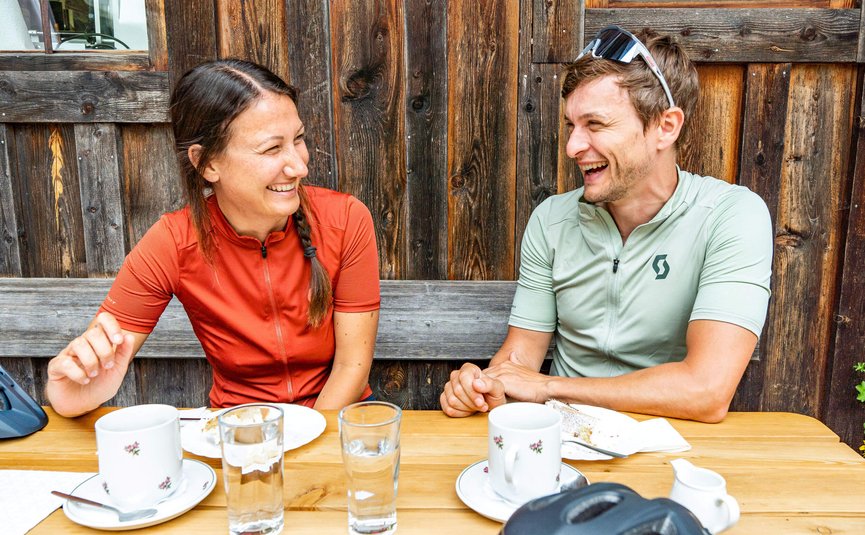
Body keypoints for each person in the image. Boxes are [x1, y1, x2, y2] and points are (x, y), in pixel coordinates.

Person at [440, 26, 773, 423]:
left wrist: (548, 387)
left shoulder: (731, 216)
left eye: (595, 125)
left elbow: (706, 391)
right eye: (571, 126)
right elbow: (520, 356)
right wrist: (483, 387)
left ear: (665, 127)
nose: (573, 147)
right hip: (560, 443)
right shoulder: (552, 220)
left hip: (670, 444)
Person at [47, 59, 381, 417]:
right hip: (237, 430)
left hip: (338, 425)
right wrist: (70, 392)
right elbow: (89, 373)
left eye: (298, 140)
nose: (299, 166)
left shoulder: (345, 219)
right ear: (207, 163)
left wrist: (301, 443)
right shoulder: (172, 242)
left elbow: (351, 368)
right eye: (271, 149)